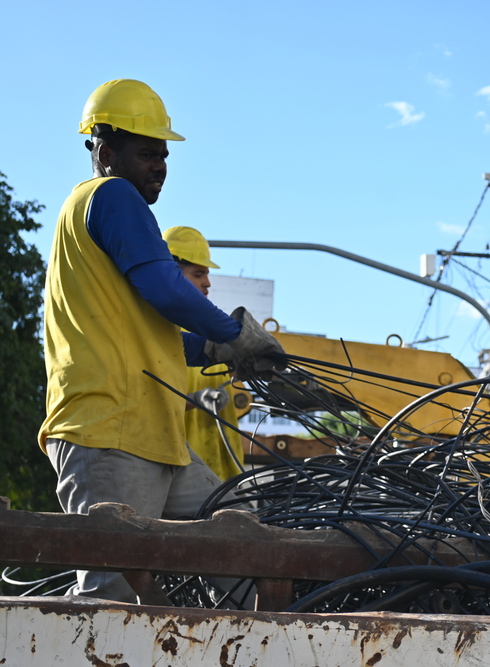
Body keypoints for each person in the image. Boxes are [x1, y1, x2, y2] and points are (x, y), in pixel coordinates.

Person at [38, 79, 284, 603]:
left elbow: (151, 329)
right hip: (109, 432)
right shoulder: (111, 196)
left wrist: (212, 349)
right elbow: (161, 286)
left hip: (154, 436)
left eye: (164, 156)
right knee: (112, 600)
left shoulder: (103, 214)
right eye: (147, 153)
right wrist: (233, 333)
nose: (160, 166)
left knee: (239, 547)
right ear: (106, 152)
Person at [163, 225, 245, 480]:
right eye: (198, 274)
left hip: (224, 472)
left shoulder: (211, 336)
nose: (207, 282)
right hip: (178, 467)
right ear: (172, 273)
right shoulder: (160, 336)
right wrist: (197, 400)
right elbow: (152, 404)